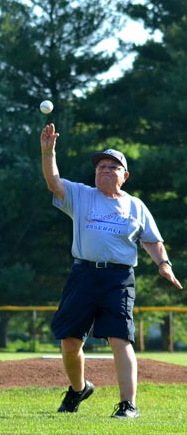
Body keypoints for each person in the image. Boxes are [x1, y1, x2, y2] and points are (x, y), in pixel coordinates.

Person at [40, 123, 183, 419]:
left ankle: (128, 405)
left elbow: (152, 241)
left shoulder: (136, 206)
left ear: (125, 176)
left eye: (113, 167)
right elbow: (54, 181)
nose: (105, 170)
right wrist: (48, 151)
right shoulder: (82, 195)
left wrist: (164, 264)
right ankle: (79, 388)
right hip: (83, 274)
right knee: (70, 343)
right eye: (101, 166)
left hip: (118, 279)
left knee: (120, 338)